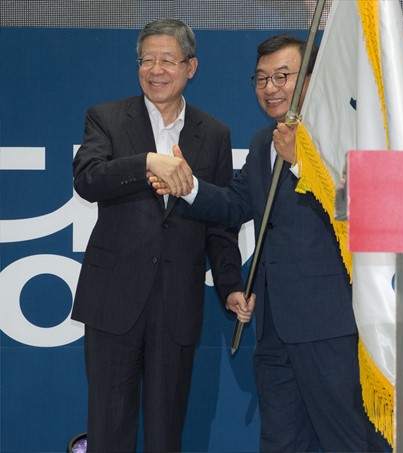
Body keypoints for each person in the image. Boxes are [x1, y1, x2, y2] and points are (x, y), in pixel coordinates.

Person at [152, 33, 386, 452]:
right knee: (281, 441)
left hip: (330, 326)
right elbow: (234, 204)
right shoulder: (264, 142)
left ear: (312, 79)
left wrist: (301, 164)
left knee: (346, 439)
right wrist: (187, 186)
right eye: (261, 79)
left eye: (282, 76)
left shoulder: (345, 134)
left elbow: (363, 212)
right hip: (273, 328)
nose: (270, 88)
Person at [72, 18, 253, 452]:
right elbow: (88, 179)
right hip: (113, 300)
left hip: (177, 301)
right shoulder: (107, 118)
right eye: (146, 60)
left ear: (191, 66)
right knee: (108, 427)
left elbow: (220, 223)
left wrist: (230, 284)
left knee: (165, 430)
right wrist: (147, 162)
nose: (156, 70)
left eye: (167, 60)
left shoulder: (214, 134)